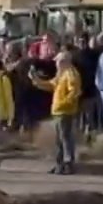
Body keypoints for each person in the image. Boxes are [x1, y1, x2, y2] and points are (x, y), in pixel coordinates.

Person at [30, 42, 83, 174]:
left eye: (57, 61)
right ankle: (60, 164)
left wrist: (64, 103)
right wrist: (35, 80)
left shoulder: (71, 73)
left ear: (64, 61)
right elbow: (50, 85)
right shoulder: (62, 74)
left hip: (65, 111)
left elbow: (75, 91)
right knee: (59, 139)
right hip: (59, 111)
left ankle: (68, 164)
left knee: (65, 138)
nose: (55, 64)